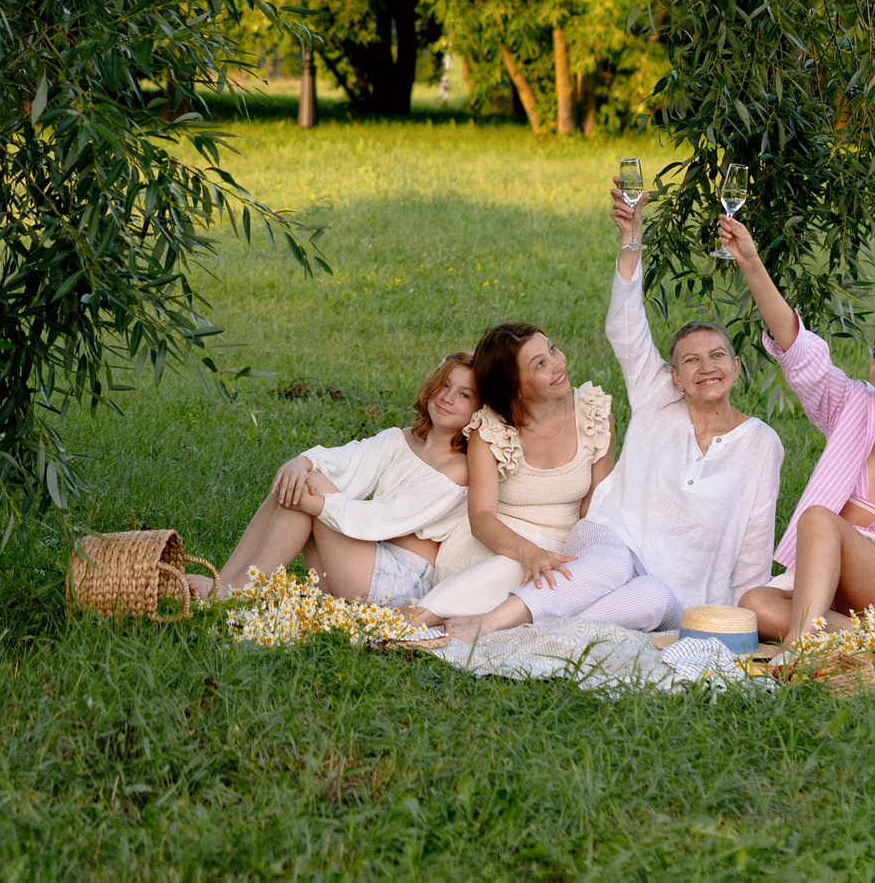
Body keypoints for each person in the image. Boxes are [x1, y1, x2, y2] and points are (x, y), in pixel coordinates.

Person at [437, 178, 784, 641]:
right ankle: (493, 623)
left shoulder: (761, 443)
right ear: (674, 377)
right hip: (611, 539)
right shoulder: (656, 396)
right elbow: (625, 328)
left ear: (737, 368)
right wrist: (631, 240)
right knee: (615, 562)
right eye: (691, 360)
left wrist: (741, 619)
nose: (707, 368)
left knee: (655, 600)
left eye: (718, 356)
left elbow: (755, 543)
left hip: (679, 589)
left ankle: (535, 632)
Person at [720, 213, 875, 642]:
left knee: (817, 518)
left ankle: (801, 648)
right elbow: (798, 350)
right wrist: (750, 263)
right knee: (754, 605)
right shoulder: (853, 406)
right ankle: (869, 639)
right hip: (832, 587)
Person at [202, 353, 478, 609]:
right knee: (302, 479)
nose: (447, 397)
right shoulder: (402, 439)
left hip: (399, 583)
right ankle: (225, 581)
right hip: (357, 566)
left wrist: (316, 505)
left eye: (464, 395)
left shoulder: (459, 469)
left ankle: (243, 588)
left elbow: (387, 517)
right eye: (444, 385)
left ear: (479, 411)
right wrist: (300, 463)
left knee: (310, 488)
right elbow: (348, 461)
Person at [409, 320, 616, 627]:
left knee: (575, 572)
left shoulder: (594, 414)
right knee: (517, 569)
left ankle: (482, 617)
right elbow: (481, 519)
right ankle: (415, 619)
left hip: (561, 551)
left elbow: (594, 509)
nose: (559, 364)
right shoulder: (490, 431)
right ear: (515, 385)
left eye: (552, 349)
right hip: (492, 548)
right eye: (541, 364)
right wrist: (529, 552)